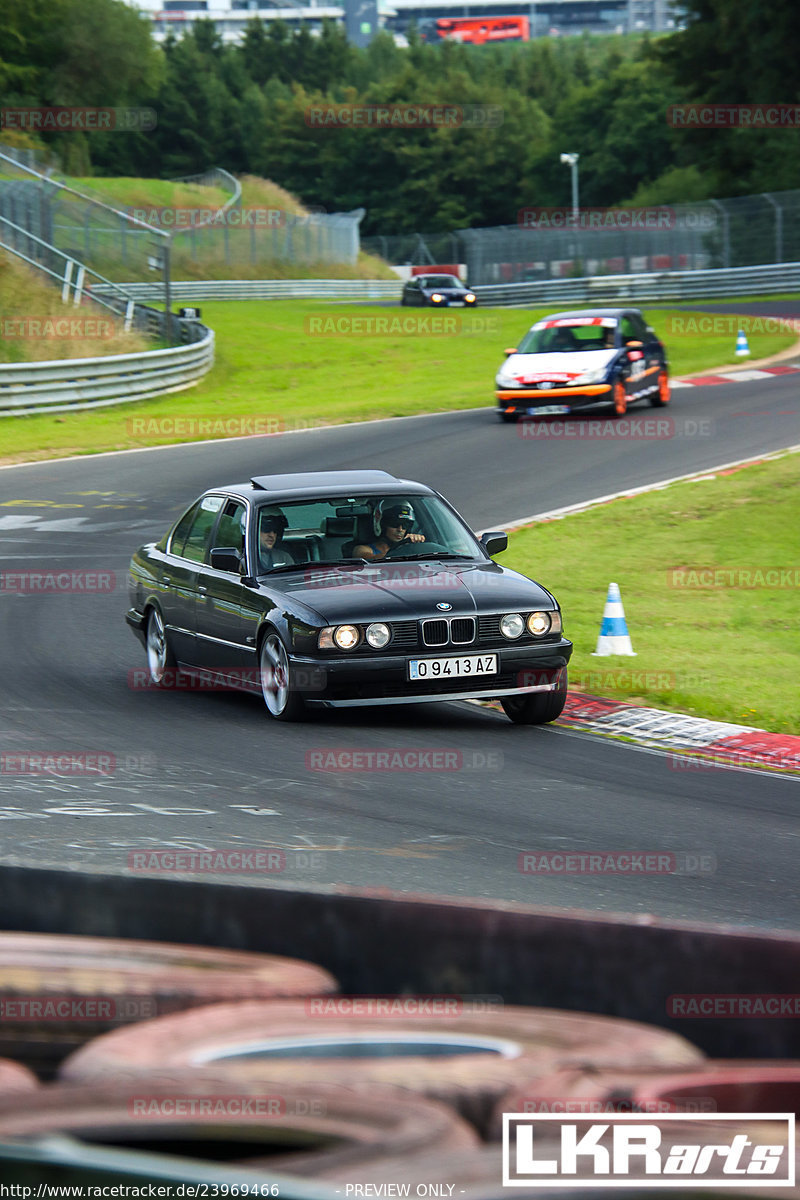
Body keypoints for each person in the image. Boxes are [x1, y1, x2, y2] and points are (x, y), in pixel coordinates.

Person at [353, 501, 426, 561]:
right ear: (383, 525)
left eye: (405, 525)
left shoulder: (409, 546)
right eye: (394, 524)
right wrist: (400, 546)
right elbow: (373, 561)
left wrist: (419, 543)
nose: (400, 529)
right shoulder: (361, 549)